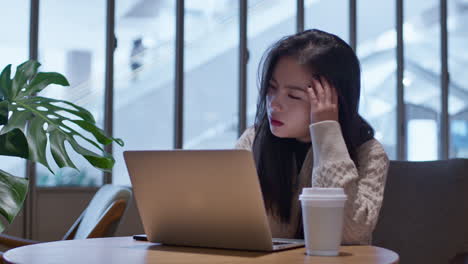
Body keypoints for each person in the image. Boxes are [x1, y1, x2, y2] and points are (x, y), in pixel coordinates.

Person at [235, 29, 389, 245]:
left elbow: (347, 235)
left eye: (293, 95)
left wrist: (326, 129)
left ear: (333, 101)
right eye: (271, 87)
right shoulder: (253, 140)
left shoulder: (370, 153)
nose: (274, 103)